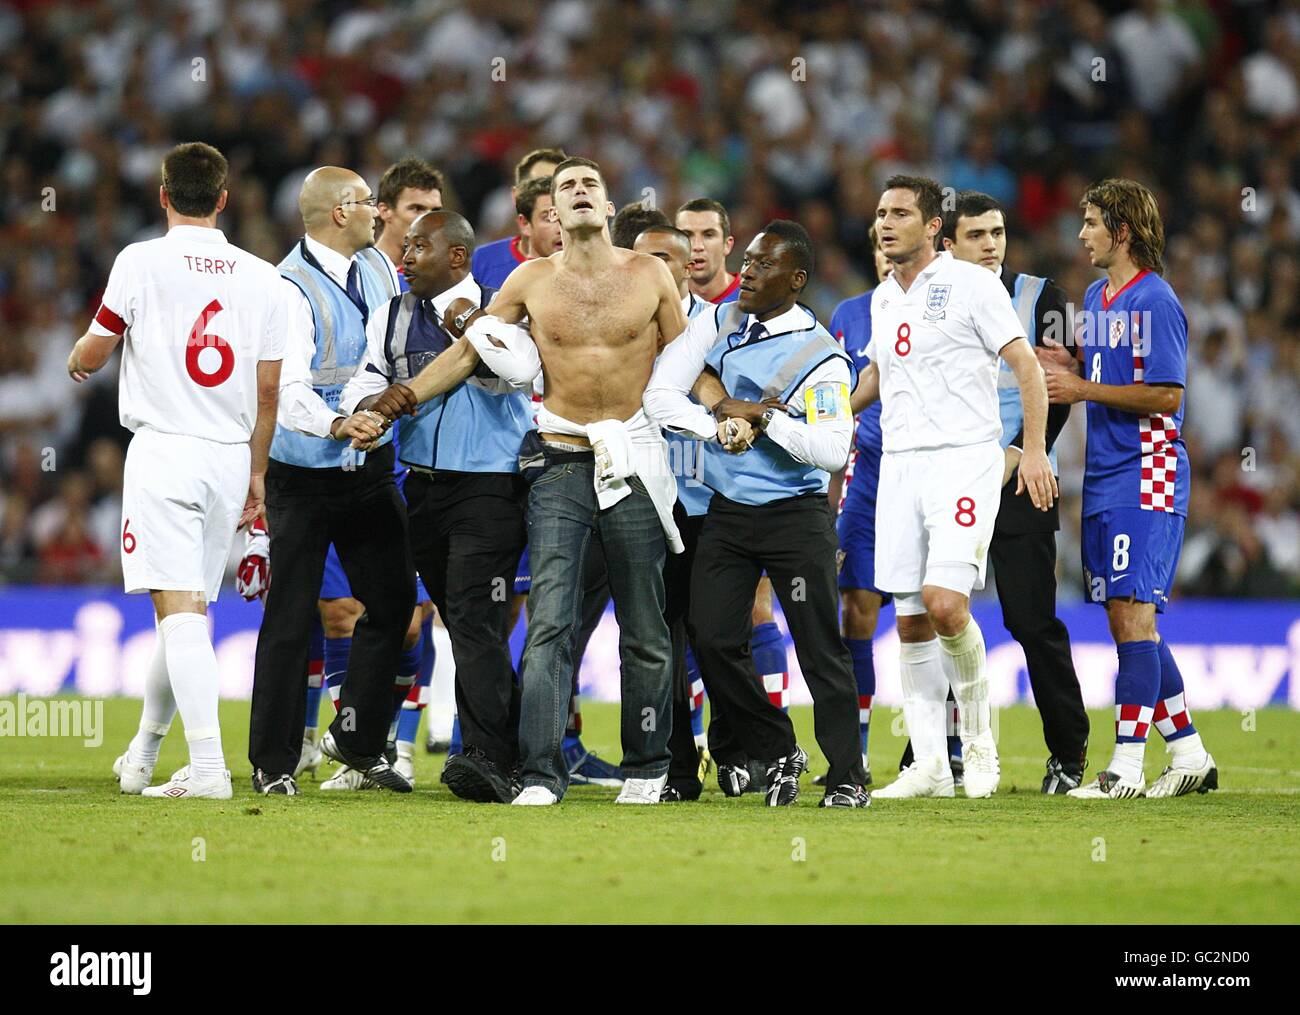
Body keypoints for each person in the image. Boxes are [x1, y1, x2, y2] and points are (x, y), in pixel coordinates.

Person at [432, 157, 694, 805]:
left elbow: (687, 362)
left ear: (608, 209)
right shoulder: (528, 279)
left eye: (590, 185)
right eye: (566, 185)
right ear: (552, 210)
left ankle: (647, 766)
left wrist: (723, 418)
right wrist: (405, 396)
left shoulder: (650, 273)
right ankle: (543, 772)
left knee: (645, 624)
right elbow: (474, 349)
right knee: (550, 621)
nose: (578, 192)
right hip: (557, 459)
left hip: (632, 456)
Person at [74, 141, 284, 800]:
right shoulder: (263, 276)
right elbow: (269, 389)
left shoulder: (140, 260)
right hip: (229, 456)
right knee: (185, 607)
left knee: (181, 609)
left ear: (163, 195)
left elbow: (96, 347)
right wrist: (258, 473)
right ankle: (142, 754)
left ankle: (210, 768)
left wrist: (80, 358)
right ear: (223, 200)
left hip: (165, 450)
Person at [645, 220, 869, 808]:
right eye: (745, 260)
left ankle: (848, 776)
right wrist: (718, 424)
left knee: (819, 646)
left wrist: (767, 420)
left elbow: (832, 450)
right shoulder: (717, 320)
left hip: (793, 516)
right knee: (713, 640)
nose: (745, 272)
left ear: (795, 279)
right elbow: (662, 392)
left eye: (761, 265)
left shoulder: (823, 357)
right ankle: (778, 745)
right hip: (726, 512)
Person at [852, 175, 1056, 801]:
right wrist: (826, 414)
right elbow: (876, 377)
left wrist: (1036, 451)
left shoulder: (972, 285)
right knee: (911, 620)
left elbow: (1027, 367)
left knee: (946, 603)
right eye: (882, 213)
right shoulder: (883, 299)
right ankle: (930, 767)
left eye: (901, 214)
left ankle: (980, 749)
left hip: (963, 459)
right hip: (901, 467)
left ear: (932, 226)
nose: (886, 224)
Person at [343, 210, 534, 803]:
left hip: (489, 487)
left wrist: (473, 322)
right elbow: (364, 378)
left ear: (456, 256)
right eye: (404, 246)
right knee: (458, 617)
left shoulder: (503, 306)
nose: (404, 257)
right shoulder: (391, 315)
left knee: (475, 617)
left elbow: (519, 371)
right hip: (420, 487)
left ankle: (485, 755)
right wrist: (369, 405)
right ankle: (511, 748)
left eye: (418, 247)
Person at [1042, 178, 1218, 800]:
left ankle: (1125, 769)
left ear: (1122, 232)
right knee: (1128, 620)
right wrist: (1063, 367)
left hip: (1149, 471)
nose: (1081, 233)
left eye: (1090, 222)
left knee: (1133, 618)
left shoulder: (1158, 301)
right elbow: (1098, 369)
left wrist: (1083, 390)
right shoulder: (1096, 295)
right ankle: (1191, 753)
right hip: (1105, 475)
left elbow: (1168, 395)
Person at [247, 166, 416, 795]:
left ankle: (357, 740)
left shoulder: (377, 266)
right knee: (292, 617)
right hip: (306, 473)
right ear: (341, 211)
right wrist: (340, 421)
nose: (381, 212)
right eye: (371, 203)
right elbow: (286, 393)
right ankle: (272, 761)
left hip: (369, 469)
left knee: (395, 602)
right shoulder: (287, 288)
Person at [941, 190, 1090, 794]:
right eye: (976, 235)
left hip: (1026, 478)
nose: (991, 245)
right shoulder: (936, 302)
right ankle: (932, 750)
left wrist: (1028, 452)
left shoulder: (1042, 298)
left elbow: (1063, 382)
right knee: (938, 616)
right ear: (948, 245)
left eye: (997, 233)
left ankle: (1069, 750)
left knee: (1031, 619)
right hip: (952, 479)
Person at [633, 223, 716, 801]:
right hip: (632, 495)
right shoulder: (615, 326)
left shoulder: (718, 325)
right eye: (641, 259)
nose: (652, 269)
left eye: (664, 259)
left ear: (687, 267)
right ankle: (671, 768)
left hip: (705, 503)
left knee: (713, 634)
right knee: (653, 637)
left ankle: (738, 753)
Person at [825, 222, 896, 789]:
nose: (886, 256)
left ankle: (945, 749)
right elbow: (833, 395)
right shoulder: (849, 313)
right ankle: (861, 751)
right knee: (858, 611)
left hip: (924, 473)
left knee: (932, 612)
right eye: (878, 245)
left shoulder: (941, 308)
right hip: (865, 478)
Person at [471, 147, 567, 288]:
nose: (548, 194)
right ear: (517, 195)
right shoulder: (484, 260)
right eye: (538, 186)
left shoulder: (591, 265)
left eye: (556, 185)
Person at [373, 157, 444, 271]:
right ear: (385, 211)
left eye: (435, 211)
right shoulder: (357, 273)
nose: (430, 220)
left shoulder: (443, 279)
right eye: (417, 209)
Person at [677, 198, 741, 303]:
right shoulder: (663, 301)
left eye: (708, 235)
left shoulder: (754, 300)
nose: (697, 246)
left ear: (727, 245)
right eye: (687, 235)